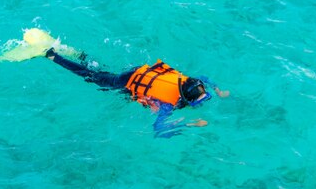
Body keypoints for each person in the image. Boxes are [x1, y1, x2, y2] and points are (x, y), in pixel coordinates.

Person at [44, 48, 229, 138]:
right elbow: (159, 130)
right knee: (90, 76)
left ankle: (79, 54)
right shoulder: (168, 105)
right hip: (126, 83)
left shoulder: (193, 81)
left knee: (100, 72)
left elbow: (206, 78)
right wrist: (191, 124)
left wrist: (219, 91)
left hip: (139, 72)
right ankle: (53, 56)